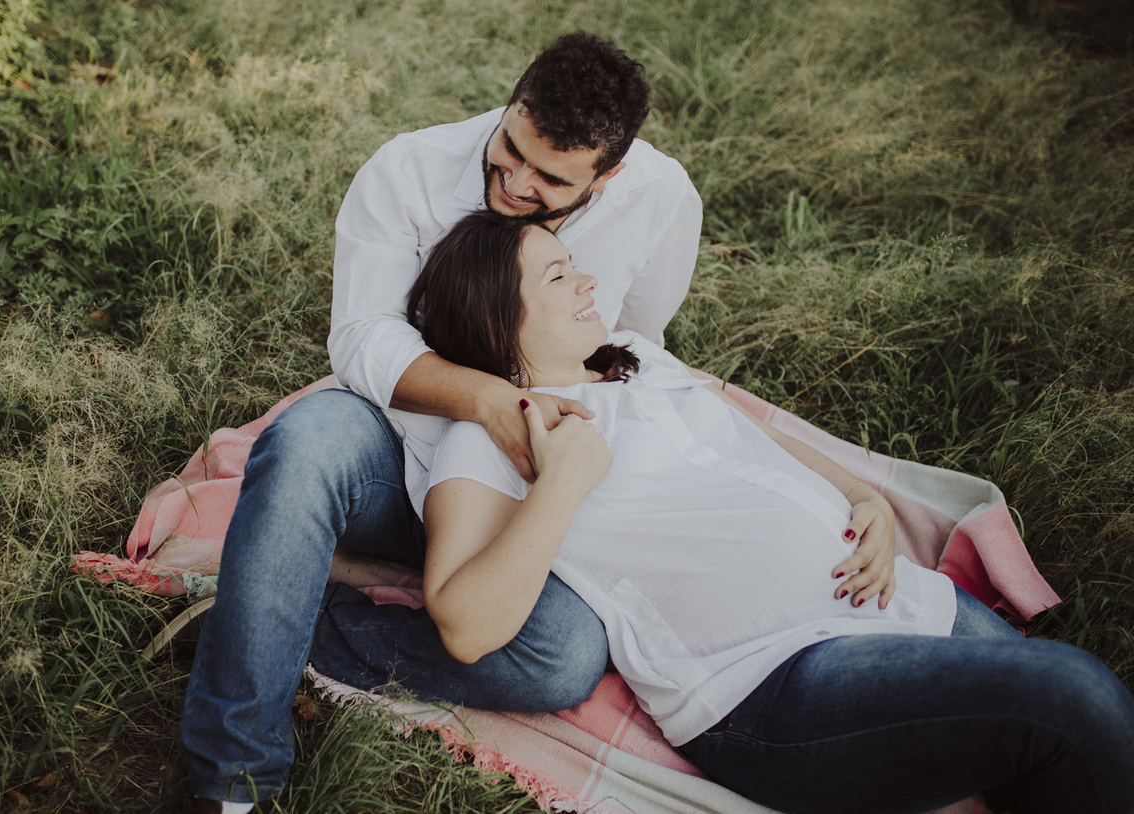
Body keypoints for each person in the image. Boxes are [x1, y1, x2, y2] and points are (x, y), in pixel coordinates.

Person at [411, 210, 1134, 814]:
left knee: (1077, 755)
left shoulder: (632, 356)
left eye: (575, 263)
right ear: (497, 319)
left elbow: (757, 438)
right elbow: (466, 625)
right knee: (1074, 698)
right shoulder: (494, 438)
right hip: (772, 686)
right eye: (558, 275)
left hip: (900, 602)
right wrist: (560, 485)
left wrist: (864, 497)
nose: (588, 279)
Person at [178, 32, 703, 812]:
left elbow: (632, 340)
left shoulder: (662, 199)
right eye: (510, 151)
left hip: (535, 493)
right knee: (305, 445)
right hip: (400, 450)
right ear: (512, 100)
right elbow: (361, 338)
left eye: (550, 179)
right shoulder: (408, 170)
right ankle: (233, 781)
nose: (515, 182)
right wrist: (492, 401)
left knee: (562, 659)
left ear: (610, 173)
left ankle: (279, 623)